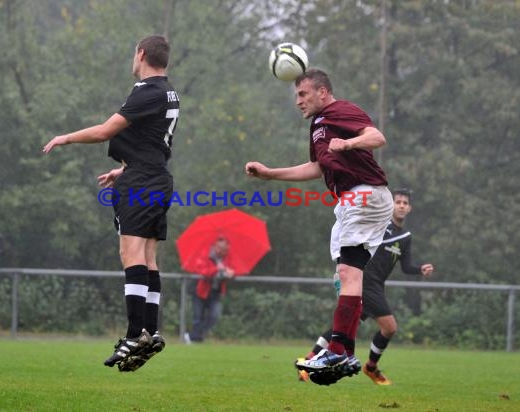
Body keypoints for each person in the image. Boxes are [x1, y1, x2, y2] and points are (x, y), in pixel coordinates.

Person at [246, 68, 393, 386]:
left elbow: (377, 138)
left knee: (348, 274)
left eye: (303, 94)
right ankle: (343, 352)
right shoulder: (318, 124)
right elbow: (316, 167)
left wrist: (349, 143)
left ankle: (339, 351)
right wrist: (270, 174)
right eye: (296, 95)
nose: (298, 101)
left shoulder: (341, 110)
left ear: (322, 92)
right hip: (352, 199)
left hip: (365, 193)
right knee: (345, 277)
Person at [43, 35, 180, 372]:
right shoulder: (168, 91)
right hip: (155, 177)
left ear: (141, 54)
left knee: (130, 254)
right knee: (148, 257)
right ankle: (151, 331)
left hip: (143, 182)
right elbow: (152, 142)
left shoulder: (147, 90)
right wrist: (125, 169)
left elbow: (106, 131)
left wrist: (66, 137)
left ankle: (136, 333)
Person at [297, 189, 434, 385]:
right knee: (390, 327)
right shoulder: (380, 224)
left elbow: (405, 266)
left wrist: (420, 269)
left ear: (410, 208)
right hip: (365, 281)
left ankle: (308, 361)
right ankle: (370, 368)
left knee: (343, 326)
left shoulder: (405, 237)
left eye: (405, 203)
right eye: (398, 202)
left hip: (377, 285)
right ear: (391, 205)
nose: (401, 205)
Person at [184, 237, 235, 343]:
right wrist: (217, 268)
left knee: (214, 316)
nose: (222, 251)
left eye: (225, 249)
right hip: (201, 290)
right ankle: (196, 339)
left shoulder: (227, 258)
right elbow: (203, 271)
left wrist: (231, 274)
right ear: (215, 246)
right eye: (220, 248)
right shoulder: (205, 255)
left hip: (216, 292)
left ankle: (193, 336)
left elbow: (232, 269)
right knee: (198, 317)